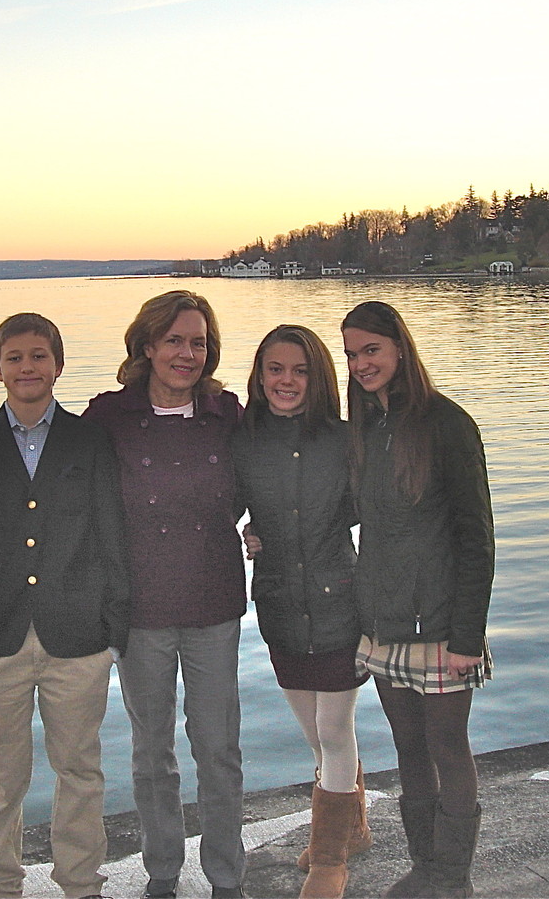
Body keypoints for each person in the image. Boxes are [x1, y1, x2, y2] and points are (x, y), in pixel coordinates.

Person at [0, 290, 248, 899]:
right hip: (136, 612)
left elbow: (265, 472)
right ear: (147, 346)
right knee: (144, 753)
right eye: (173, 340)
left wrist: (265, 526)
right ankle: (158, 876)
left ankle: (221, 880)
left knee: (216, 750)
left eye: (198, 342)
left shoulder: (226, 413)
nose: (185, 353)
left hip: (205, 601)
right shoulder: (106, 418)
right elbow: (10, 500)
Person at [0, 312, 130, 899]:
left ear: (58, 364)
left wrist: (113, 628)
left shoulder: (89, 439)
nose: (28, 367)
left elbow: (110, 533)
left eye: (39, 356)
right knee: (0, 776)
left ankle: (81, 884)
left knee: (80, 771)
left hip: (77, 637)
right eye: (15, 357)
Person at [341, 300, 495, 899]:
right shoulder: (364, 427)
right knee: (407, 747)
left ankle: (452, 876)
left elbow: (475, 535)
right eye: (351, 354)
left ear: (399, 348)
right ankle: (424, 866)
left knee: (446, 746)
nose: (359, 364)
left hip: (440, 622)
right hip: (382, 621)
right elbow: (357, 514)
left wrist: (465, 636)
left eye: (370, 350)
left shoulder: (446, 423)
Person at [231, 325, 371, 899]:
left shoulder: (345, 440)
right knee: (316, 736)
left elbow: (376, 508)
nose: (286, 381)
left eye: (299, 371)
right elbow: (216, 500)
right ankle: (354, 823)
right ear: (260, 376)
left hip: (341, 601)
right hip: (281, 607)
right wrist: (250, 530)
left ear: (318, 378)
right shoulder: (243, 441)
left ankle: (329, 859)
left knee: (335, 729)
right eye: (275, 370)